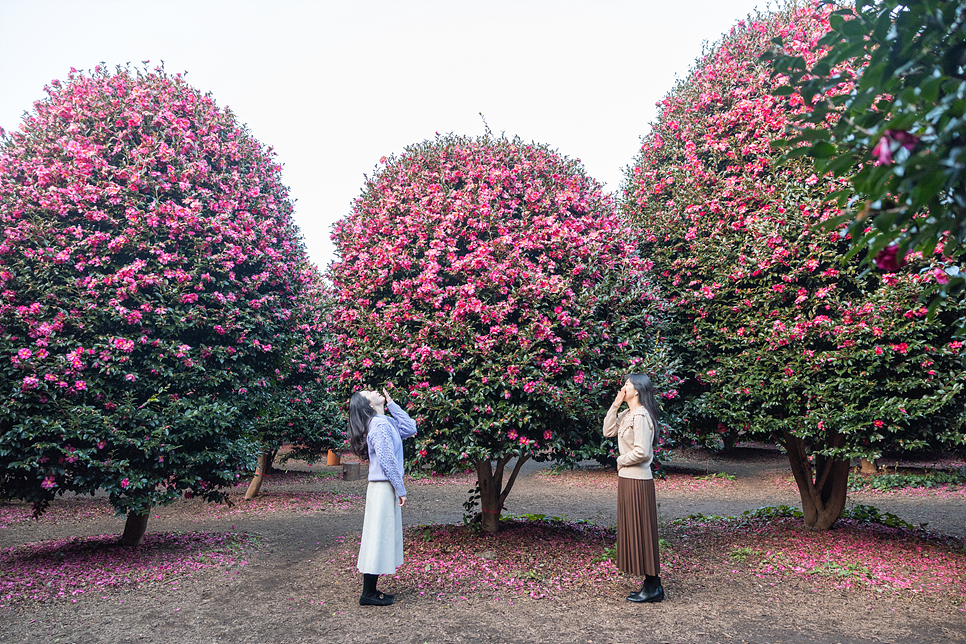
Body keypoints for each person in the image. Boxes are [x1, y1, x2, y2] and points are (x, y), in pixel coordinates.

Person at [348, 387, 417, 606]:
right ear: (367, 404)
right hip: (382, 487)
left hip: (385, 487)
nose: (374, 390)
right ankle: (368, 593)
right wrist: (401, 489)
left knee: (379, 537)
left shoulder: (385, 422)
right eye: (368, 392)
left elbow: (410, 427)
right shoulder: (377, 426)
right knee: (377, 538)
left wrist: (392, 404)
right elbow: (388, 462)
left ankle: (370, 591)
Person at [602, 374, 664, 603]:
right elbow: (608, 430)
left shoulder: (640, 416)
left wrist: (620, 460)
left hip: (638, 480)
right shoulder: (628, 414)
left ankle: (652, 586)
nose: (623, 387)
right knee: (635, 529)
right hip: (629, 479)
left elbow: (643, 452)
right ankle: (651, 585)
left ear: (636, 390)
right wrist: (616, 403)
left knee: (642, 530)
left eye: (627, 384)